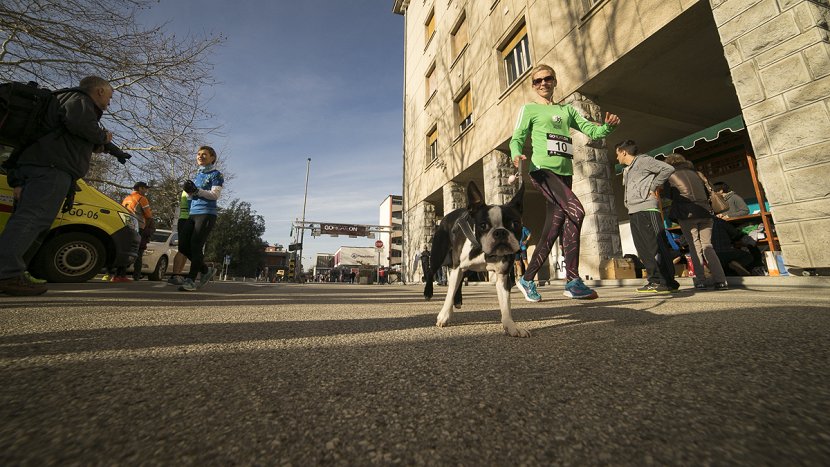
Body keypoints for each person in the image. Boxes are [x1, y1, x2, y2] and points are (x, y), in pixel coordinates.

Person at [510, 64, 620, 302]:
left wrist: (607, 127)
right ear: (533, 86)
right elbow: (517, 137)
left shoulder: (567, 110)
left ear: (555, 81)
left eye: (547, 79)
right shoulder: (529, 109)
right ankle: (572, 279)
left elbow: (591, 130)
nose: (543, 83)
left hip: (564, 175)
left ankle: (529, 279)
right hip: (542, 171)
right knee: (577, 211)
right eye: (537, 81)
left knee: (553, 230)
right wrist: (516, 153)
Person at [0, 76, 114, 296]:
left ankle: (13, 270)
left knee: (29, 220)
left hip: (38, 166)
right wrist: (103, 137)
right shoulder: (79, 99)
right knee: (33, 218)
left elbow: (67, 132)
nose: (109, 102)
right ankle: (6, 273)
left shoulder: (60, 101)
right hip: (51, 170)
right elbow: (81, 124)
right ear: (100, 91)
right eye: (109, 96)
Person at [615, 141, 679, 294]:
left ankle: (667, 282)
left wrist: (652, 186)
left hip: (647, 209)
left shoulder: (643, 161)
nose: (616, 158)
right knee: (643, 249)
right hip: (634, 211)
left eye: (617, 154)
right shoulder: (628, 169)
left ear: (623, 152)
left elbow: (668, 168)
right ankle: (654, 280)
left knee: (656, 246)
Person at [662, 153, 728, 291]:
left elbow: (668, 195)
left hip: (686, 214)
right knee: (708, 246)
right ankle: (721, 280)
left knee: (694, 246)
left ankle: (701, 280)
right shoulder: (698, 174)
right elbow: (708, 191)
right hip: (705, 212)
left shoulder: (670, 175)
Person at [177, 146, 223, 291]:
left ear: (212, 158)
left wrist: (197, 191)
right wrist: (189, 192)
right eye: (198, 154)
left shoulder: (216, 174)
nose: (200, 156)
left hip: (207, 213)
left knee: (196, 246)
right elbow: (192, 197)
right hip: (192, 213)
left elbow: (215, 195)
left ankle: (190, 280)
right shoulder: (198, 174)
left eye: (204, 154)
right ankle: (205, 270)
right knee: (183, 246)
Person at [121, 181, 154, 281]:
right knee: (138, 252)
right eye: (145, 188)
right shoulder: (141, 198)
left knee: (125, 250)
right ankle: (136, 275)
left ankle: (120, 274)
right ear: (140, 188)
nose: (146, 191)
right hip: (138, 226)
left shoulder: (127, 198)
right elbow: (148, 215)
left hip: (125, 226)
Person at [167, 190, 193, 286]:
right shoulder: (189, 190)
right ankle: (175, 275)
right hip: (186, 219)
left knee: (185, 250)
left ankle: (178, 274)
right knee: (182, 249)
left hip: (187, 219)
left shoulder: (190, 190)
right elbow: (191, 205)